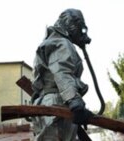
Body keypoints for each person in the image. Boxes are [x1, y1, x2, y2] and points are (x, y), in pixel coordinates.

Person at [31, 8, 94, 141]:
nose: (82, 33)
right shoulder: (62, 43)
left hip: (49, 103)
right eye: (80, 28)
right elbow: (62, 71)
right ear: (72, 26)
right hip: (57, 102)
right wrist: (74, 100)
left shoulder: (53, 41)